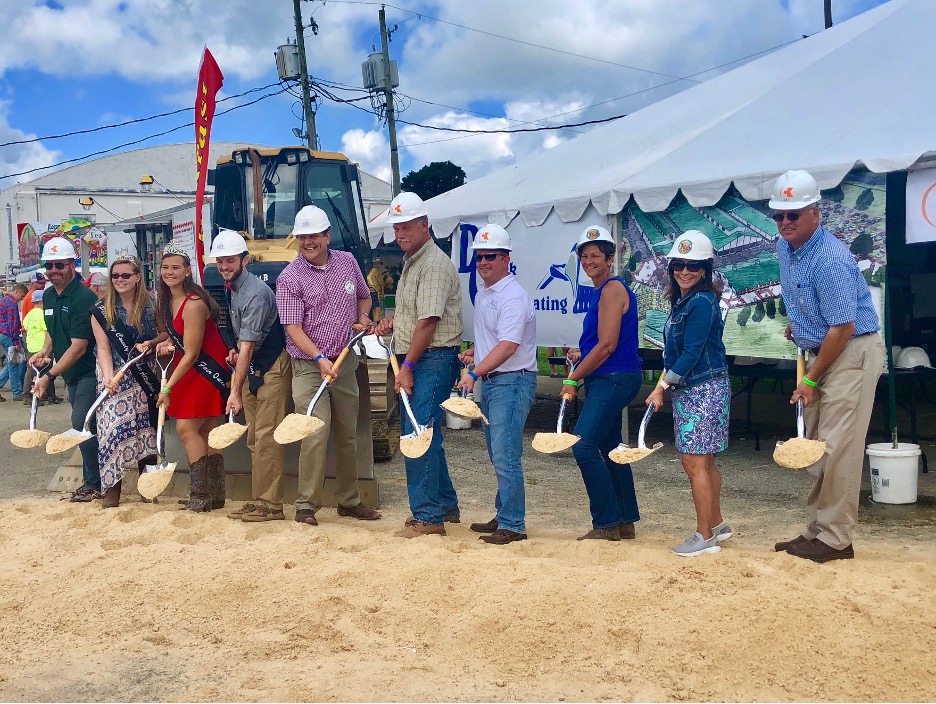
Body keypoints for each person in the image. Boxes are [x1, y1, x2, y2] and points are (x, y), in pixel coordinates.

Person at [770, 169, 884, 563]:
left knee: (837, 447)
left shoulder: (830, 259)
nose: (785, 222)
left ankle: (836, 538)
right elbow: (818, 311)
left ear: (815, 214)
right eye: (779, 215)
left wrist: (809, 380)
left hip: (850, 351)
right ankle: (816, 530)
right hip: (823, 349)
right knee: (817, 444)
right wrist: (801, 327)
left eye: (794, 214)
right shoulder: (786, 248)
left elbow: (843, 326)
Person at [276, 206, 381, 526]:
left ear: (326, 236)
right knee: (315, 432)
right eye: (302, 237)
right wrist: (320, 360)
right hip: (309, 367)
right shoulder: (289, 277)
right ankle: (306, 504)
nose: (308, 242)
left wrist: (363, 318)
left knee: (347, 434)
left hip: (346, 361)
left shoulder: (348, 262)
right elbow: (293, 328)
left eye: (314, 236)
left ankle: (349, 500)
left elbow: (365, 298)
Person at [374, 192, 463, 539]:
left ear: (425, 224)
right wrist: (395, 320)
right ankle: (444, 505)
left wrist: (408, 365)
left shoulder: (433, 264)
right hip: (425, 356)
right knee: (428, 434)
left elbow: (429, 321)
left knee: (416, 435)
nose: (400, 233)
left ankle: (428, 518)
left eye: (407, 226)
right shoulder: (414, 261)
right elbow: (417, 315)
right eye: (397, 228)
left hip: (431, 358)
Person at [644, 231, 732, 557]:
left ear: (705, 269)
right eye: (678, 264)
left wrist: (660, 387)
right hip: (702, 388)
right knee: (704, 461)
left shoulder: (700, 302)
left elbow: (691, 353)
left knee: (694, 462)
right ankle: (718, 525)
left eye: (693, 265)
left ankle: (704, 535)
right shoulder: (689, 300)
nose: (684, 270)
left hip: (701, 389)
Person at [456, 225, 537, 545]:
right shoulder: (489, 294)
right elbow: (497, 342)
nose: (483, 262)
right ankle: (505, 512)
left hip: (512, 382)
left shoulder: (513, 297)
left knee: (505, 454)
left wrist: (474, 373)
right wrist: (476, 353)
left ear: (506, 259)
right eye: (479, 257)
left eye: (490, 256)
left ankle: (513, 523)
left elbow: (508, 346)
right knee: (497, 451)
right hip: (496, 382)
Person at [562, 226, 643, 541]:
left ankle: (606, 522)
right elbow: (606, 341)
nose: (588, 261)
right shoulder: (604, 290)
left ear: (610, 259)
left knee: (583, 446)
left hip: (612, 377)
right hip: (610, 376)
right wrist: (583, 353)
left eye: (595, 255)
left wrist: (573, 376)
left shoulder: (610, 289)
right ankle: (624, 520)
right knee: (609, 447)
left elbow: (608, 346)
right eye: (584, 256)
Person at [209, 230, 292, 523]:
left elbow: (248, 346)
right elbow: (242, 344)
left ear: (245, 260)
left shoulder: (256, 293)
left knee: (267, 437)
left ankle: (271, 505)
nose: (223, 266)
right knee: (255, 439)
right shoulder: (234, 290)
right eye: (220, 261)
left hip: (269, 368)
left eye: (229, 260)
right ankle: (260, 500)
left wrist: (234, 390)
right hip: (251, 367)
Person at [148, 242, 230, 513]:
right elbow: (176, 335)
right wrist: (154, 341)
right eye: (165, 267)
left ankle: (200, 494)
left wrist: (167, 389)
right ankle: (214, 495)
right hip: (189, 368)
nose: (169, 272)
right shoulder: (168, 299)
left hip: (205, 370)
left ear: (187, 271)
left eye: (175, 267)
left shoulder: (194, 303)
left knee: (186, 429)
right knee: (206, 431)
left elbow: (193, 352)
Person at [29, 237, 102, 502]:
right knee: (87, 427)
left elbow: (79, 347)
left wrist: (49, 376)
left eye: (59, 264)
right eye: (48, 266)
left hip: (88, 373)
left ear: (73, 265)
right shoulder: (48, 295)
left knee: (80, 425)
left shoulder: (84, 298)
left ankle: (95, 483)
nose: (53, 271)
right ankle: (96, 480)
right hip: (69, 375)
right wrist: (45, 352)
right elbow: (52, 330)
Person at [90, 256, 159, 508]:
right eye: (115, 276)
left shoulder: (153, 302)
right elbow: (104, 348)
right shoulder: (101, 308)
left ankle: (148, 489)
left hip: (144, 373)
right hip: (114, 374)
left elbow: (165, 331)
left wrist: (152, 344)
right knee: (110, 431)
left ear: (137, 277)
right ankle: (111, 491)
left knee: (147, 429)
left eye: (125, 275)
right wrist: (108, 376)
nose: (120, 280)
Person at [22, 290, 62, 405]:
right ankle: (30, 395)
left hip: (31, 345)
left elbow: (25, 328)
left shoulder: (30, 314)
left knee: (38, 371)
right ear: (41, 301)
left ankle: (48, 395)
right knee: (41, 372)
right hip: (42, 346)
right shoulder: (42, 314)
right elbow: (48, 330)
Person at [0, 283, 28, 401]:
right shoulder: (11, 303)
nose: (21, 299)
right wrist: (16, 341)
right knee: (13, 365)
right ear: (16, 292)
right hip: (9, 336)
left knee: (11, 362)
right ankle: (17, 393)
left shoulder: (4, 300)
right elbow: (13, 324)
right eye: (21, 296)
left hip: (4, 334)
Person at [366, 256, 386, 322]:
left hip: (376, 295)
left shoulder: (374, 272)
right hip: (375, 295)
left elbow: (381, 283)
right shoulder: (372, 274)